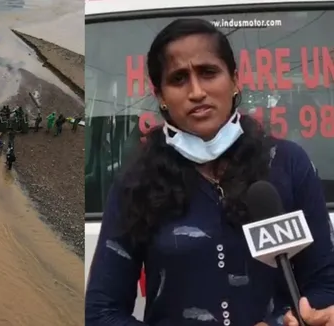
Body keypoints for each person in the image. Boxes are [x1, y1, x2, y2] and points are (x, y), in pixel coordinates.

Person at [85, 18, 334, 326]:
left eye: (208, 72)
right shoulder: (135, 184)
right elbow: (102, 311)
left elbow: (325, 282)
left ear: (235, 80)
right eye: (178, 79)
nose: (197, 91)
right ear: (161, 95)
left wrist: (296, 319)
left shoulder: (288, 163)